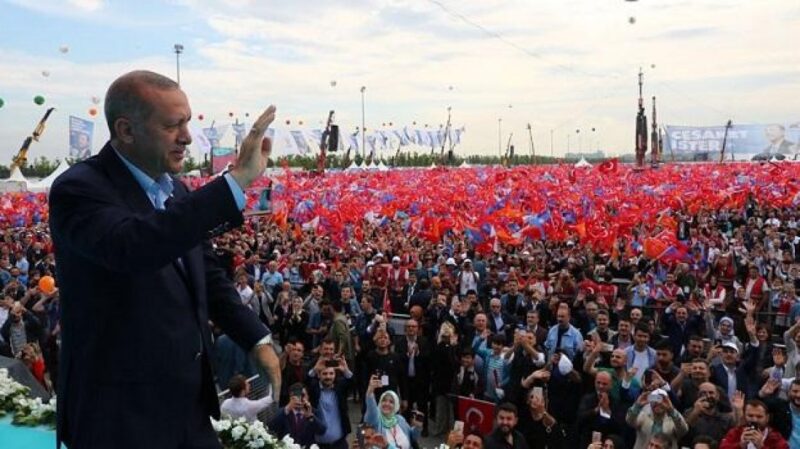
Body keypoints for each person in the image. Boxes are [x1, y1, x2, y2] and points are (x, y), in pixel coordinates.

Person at [49, 70, 281, 448]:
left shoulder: (177, 190)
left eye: (187, 122)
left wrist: (255, 338)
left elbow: (206, 275)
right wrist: (235, 180)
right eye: (173, 125)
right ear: (126, 130)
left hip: (187, 408)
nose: (187, 136)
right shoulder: (79, 189)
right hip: (119, 418)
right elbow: (136, 247)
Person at [364, 375, 422, 449]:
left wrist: (417, 427)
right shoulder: (375, 420)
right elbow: (371, 409)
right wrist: (370, 391)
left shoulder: (400, 419)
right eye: (384, 400)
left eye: (391, 402)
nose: (387, 404)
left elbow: (412, 438)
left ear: (396, 406)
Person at [308, 365, 353, 449]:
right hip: (318, 445)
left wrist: (346, 370)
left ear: (335, 375)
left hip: (339, 443)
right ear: (318, 375)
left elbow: (355, 383)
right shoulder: (314, 389)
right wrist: (314, 369)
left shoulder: (340, 388)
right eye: (324, 374)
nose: (328, 377)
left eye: (331, 373)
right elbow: (306, 380)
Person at [269, 383, 326, 447]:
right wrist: (287, 409)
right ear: (290, 397)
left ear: (308, 397)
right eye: (296, 396)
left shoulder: (314, 412)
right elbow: (271, 428)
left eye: (303, 395)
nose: (299, 399)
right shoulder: (282, 411)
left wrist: (310, 416)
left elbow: (322, 431)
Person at [718, 400, 789, 449]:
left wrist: (761, 447)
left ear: (767, 418)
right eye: (750, 416)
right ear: (744, 416)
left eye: (759, 416)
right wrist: (740, 445)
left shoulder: (775, 438)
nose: (754, 420)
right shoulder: (735, 432)